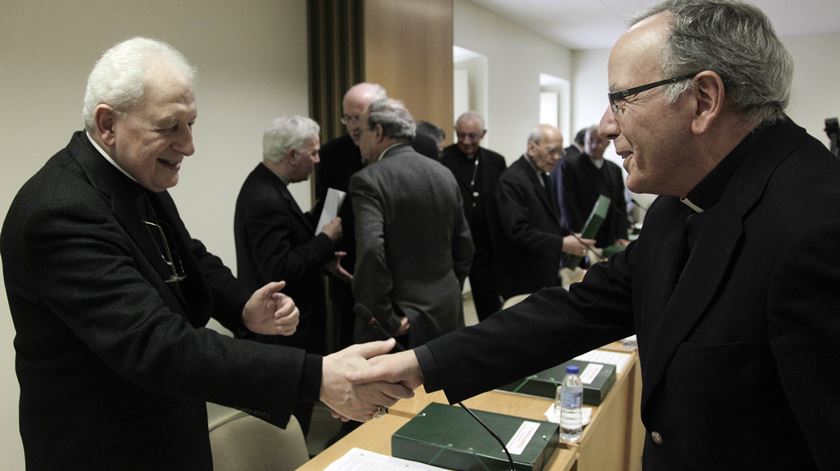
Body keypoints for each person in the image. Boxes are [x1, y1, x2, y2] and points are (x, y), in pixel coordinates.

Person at [348, 1, 840, 469]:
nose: (606, 127)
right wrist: (421, 363)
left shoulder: (818, 226)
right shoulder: (680, 201)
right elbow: (582, 308)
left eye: (621, 99)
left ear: (703, 100)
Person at [0, 37, 411, 470]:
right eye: (170, 127)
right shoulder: (60, 211)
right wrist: (315, 376)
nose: (189, 145)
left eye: (191, 124)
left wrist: (242, 307)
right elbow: (157, 345)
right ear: (108, 124)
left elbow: (188, 254)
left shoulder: (132, 176)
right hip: (106, 448)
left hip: (168, 429)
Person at [233, 115, 352, 434]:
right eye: (312, 153)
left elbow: (289, 241)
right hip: (283, 329)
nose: (317, 160)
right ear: (292, 155)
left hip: (287, 326)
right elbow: (279, 268)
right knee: (288, 423)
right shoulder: (265, 198)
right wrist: (326, 240)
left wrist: (319, 226)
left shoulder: (268, 186)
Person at [351, 98, 474, 347]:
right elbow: (465, 246)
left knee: (394, 387)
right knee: (445, 385)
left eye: (360, 133)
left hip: (402, 321)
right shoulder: (444, 174)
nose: (358, 142)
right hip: (447, 311)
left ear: (378, 132)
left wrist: (385, 317)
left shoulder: (368, 180)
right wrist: (448, 290)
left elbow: (371, 251)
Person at [492, 124, 594, 299]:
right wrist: (561, 243)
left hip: (544, 269)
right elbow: (518, 231)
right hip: (523, 273)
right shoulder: (512, 180)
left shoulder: (542, 175)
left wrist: (571, 237)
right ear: (532, 148)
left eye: (560, 152)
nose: (556, 158)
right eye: (551, 151)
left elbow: (549, 220)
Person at [440, 111, 507, 320]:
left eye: (472, 136)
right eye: (461, 135)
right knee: (448, 303)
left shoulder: (496, 161)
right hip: (452, 244)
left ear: (483, 134)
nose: (466, 141)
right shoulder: (443, 157)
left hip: (484, 246)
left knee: (489, 304)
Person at [561, 124, 631, 247]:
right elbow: (568, 206)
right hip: (580, 237)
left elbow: (620, 205)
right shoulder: (570, 166)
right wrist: (580, 236)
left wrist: (621, 236)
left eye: (599, 142)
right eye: (590, 141)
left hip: (608, 236)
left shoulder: (614, 170)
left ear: (607, 143)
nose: (593, 145)